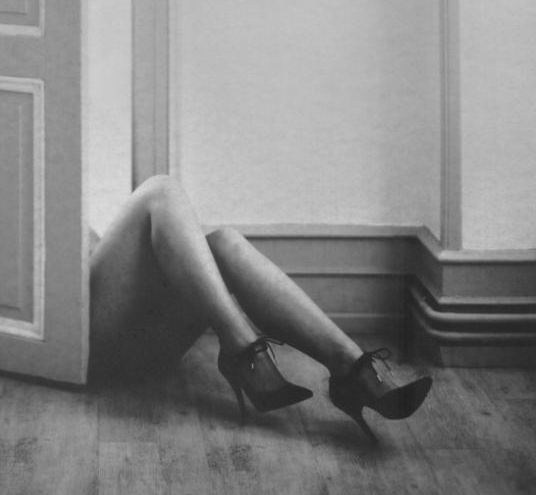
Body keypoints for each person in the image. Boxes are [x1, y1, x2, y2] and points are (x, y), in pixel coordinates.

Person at [88, 175, 432, 443]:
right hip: (84, 347)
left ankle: (350, 366)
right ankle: (240, 347)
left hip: (122, 333)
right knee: (161, 190)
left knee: (225, 242)